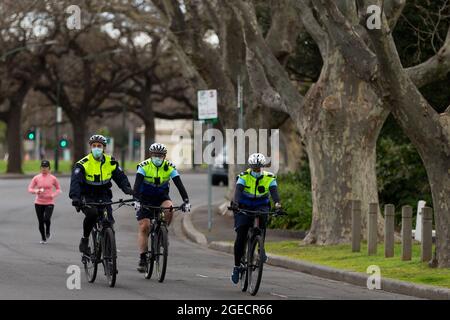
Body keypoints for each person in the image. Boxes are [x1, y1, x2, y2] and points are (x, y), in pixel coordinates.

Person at [69, 134, 134, 255]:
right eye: (94, 146)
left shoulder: (111, 162)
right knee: (92, 214)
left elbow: (120, 178)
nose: (96, 148)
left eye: (99, 146)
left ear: (104, 148)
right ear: (90, 147)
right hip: (87, 195)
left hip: (104, 195)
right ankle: (85, 240)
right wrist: (75, 197)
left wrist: (128, 189)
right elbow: (75, 182)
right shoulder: (82, 164)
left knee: (108, 222)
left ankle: (109, 255)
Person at [133, 143, 191, 272]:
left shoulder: (169, 167)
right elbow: (136, 186)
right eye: (155, 155)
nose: (157, 158)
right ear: (151, 155)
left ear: (164, 156)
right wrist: (136, 200)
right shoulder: (144, 166)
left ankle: (163, 231)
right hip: (145, 199)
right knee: (144, 226)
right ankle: (143, 258)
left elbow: (179, 185)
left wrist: (186, 200)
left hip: (161, 198)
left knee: (170, 208)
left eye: (160, 156)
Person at [230, 153, 282, 285]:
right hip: (244, 206)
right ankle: (237, 267)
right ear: (251, 167)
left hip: (261, 205)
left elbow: (274, 193)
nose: (257, 170)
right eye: (254, 168)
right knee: (241, 235)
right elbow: (238, 191)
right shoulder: (243, 177)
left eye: (259, 168)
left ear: (263, 167)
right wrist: (235, 204)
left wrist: (278, 205)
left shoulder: (269, 178)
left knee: (263, 221)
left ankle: (260, 249)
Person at [28, 160, 61, 244]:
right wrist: (36, 191)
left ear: (49, 168)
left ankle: (48, 230)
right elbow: (30, 189)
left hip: (49, 202)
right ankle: (43, 238)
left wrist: (53, 195)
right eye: (42, 167)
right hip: (38, 202)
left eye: (46, 167)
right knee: (41, 221)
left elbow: (58, 189)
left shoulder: (53, 178)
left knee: (46, 218)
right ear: (40, 168)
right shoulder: (36, 178)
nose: (44, 169)